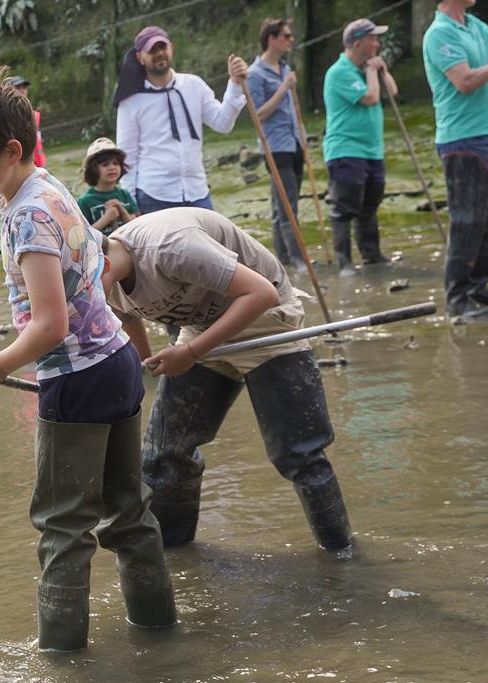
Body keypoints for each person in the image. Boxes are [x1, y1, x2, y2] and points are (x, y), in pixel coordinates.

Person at [0, 67, 176, 652]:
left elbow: (51, 324)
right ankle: (160, 634)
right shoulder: (48, 186)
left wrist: (2, 360)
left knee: (63, 529)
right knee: (129, 515)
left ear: (11, 151)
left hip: (77, 380)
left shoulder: (27, 214)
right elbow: (90, 266)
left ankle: (62, 668)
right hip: (118, 363)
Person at [100, 207, 353, 553]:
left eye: (83, 282)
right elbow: (127, 316)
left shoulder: (170, 248)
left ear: (101, 260)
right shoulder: (102, 280)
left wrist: (189, 354)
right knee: (164, 455)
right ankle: (174, 559)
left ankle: (343, 559)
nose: (82, 294)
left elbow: (261, 293)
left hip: (265, 319)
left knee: (299, 454)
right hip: (202, 326)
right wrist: (145, 363)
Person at [114, 26, 249, 214]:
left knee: (207, 243)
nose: (159, 53)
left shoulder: (193, 85)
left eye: (163, 47)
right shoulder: (131, 102)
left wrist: (234, 83)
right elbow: (127, 155)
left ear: (172, 48)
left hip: (197, 192)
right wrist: (132, 204)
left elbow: (223, 123)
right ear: (139, 57)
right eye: (152, 50)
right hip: (154, 197)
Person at [423, 0, 488, 322]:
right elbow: (464, 81)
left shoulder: (474, 25)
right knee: (468, 219)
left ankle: (478, 289)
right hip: (462, 139)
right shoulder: (439, 33)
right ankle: (457, 298)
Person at [323, 19, 398, 275]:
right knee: (345, 208)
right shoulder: (339, 71)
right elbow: (370, 97)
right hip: (346, 149)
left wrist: (383, 71)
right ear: (358, 43)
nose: (377, 44)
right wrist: (370, 73)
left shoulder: (369, 69)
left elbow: (391, 92)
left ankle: (372, 256)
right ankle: (345, 263)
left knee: (370, 206)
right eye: (373, 39)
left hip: (372, 150)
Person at [248, 18, 308, 273]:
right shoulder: (254, 74)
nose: (291, 39)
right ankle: (297, 259)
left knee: (280, 203)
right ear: (272, 39)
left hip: (294, 142)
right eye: (286, 35)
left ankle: (282, 258)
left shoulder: (285, 68)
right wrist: (284, 88)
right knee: (287, 203)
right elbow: (258, 114)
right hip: (275, 145)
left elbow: (293, 109)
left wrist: (303, 134)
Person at [76, 137, 139, 236]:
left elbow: (137, 225)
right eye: (105, 164)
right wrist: (106, 218)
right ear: (93, 169)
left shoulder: (124, 194)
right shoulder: (85, 201)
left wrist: (122, 211)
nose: (112, 167)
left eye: (116, 163)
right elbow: (83, 235)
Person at [5, 76, 45, 168]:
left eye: (24, 87)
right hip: (20, 166)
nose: (22, 90)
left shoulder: (34, 115)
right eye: (18, 87)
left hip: (38, 163)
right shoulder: (7, 116)